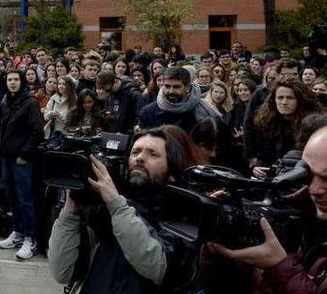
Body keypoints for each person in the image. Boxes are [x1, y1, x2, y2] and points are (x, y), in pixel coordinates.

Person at [48, 126, 203, 293]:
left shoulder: (182, 214)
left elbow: (156, 267)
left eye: (153, 154)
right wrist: (71, 211)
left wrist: (116, 204)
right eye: (136, 152)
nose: (140, 158)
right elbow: (62, 272)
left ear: (173, 170)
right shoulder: (104, 208)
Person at [207, 118, 327, 293]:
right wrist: (222, 250)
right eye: (307, 173)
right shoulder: (287, 214)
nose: (313, 189)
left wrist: (279, 267)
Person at [0, 69, 46, 260]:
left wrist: (24, 154)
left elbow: (37, 133)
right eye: (10, 79)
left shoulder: (30, 102)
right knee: (12, 197)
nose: (13, 82)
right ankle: (17, 232)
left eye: (16, 79)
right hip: (7, 157)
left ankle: (30, 239)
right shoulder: (5, 101)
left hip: (21, 159)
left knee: (25, 199)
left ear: (22, 82)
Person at [246, 78, 324, 177]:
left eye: (290, 98)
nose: (284, 102)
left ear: (300, 100)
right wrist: (256, 167)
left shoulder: (313, 124)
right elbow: (262, 155)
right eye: (280, 97)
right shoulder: (268, 122)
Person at [138, 66, 220, 132]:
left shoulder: (205, 112)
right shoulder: (148, 113)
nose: (171, 91)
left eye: (176, 87)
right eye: (167, 86)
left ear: (187, 87)